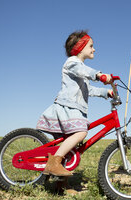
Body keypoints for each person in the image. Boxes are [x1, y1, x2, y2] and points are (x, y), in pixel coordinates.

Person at [36, 30, 112, 176]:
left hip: (74, 110)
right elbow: (81, 70)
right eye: (91, 46)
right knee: (82, 132)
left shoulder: (82, 72)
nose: (94, 49)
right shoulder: (72, 63)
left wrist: (106, 92)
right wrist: (99, 75)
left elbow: (89, 90)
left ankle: (61, 184)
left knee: (70, 151)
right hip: (67, 108)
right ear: (80, 47)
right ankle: (53, 163)